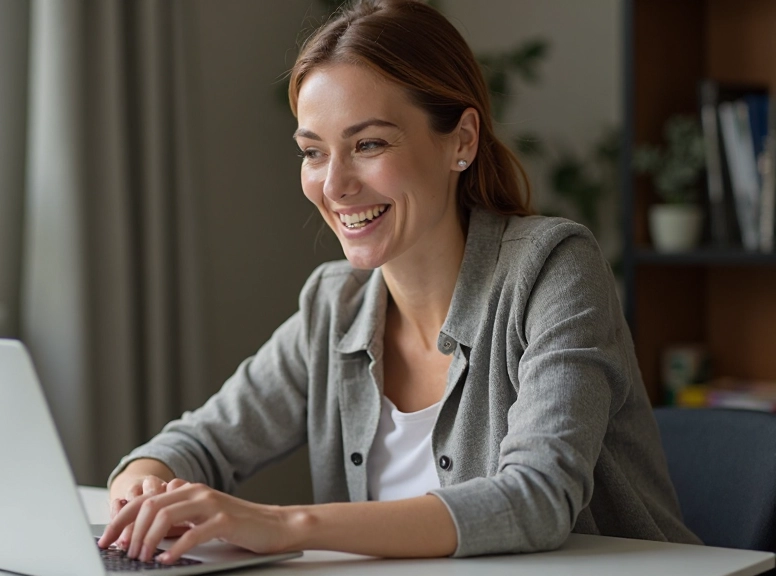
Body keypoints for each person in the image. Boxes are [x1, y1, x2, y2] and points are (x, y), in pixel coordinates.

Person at [97, 0, 699, 564]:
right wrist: (142, 489)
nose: (334, 186)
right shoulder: (334, 305)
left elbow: (537, 499)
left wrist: (284, 526)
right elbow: (199, 443)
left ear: (461, 140)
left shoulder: (552, 267)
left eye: (369, 144)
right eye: (313, 152)